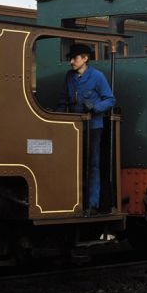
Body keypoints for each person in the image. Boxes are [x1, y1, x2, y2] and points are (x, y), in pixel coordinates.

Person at [58, 43, 116, 215]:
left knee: (93, 165)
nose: (71, 62)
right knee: (73, 164)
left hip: (93, 127)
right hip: (73, 127)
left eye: (74, 58)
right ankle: (75, 202)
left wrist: (95, 108)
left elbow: (110, 99)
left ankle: (92, 204)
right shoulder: (69, 77)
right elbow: (63, 100)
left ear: (85, 58)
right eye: (71, 58)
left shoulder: (97, 77)